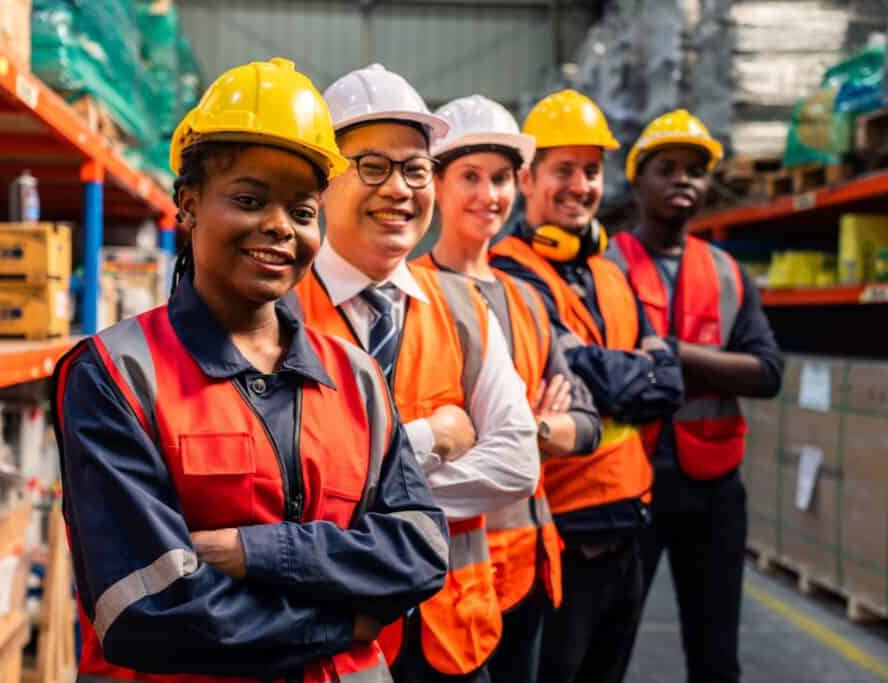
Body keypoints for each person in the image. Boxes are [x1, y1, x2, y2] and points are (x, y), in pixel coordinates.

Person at [52, 57, 450, 683]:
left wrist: (246, 551)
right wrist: (345, 621)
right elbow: (145, 610)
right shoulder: (116, 374)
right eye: (248, 199)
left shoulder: (357, 378)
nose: (278, 227)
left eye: (302, 209)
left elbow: (420, 551)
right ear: (187, 204)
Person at [286, 65, 540, 683]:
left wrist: (360, 500)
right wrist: (429, 440)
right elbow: (281, 488)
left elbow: (517, 464)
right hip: (324, 639)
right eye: (372, 167)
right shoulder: (278, 312)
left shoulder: (464, 308)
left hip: (450, 637)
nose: (399, 189)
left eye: (415, 169)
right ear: (323, 182)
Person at [488, 89, 685, 683]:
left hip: (630, 523)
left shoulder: (612, 269)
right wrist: (632, 373)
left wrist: (622, 375)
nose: (580, 186)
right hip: (560, 534)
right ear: (527, 178)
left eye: (592, 171)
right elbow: (572, 378)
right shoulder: (508, 274)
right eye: (563, 170)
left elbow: (668, 382)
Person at [411, 94, 602, 682]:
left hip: (530, 569)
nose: (487, 195)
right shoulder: (410, 295)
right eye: (469, 176)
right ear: (436, 184)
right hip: (445, 576)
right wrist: (532, 429)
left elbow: (588, 423)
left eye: (499, 178)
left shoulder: (527, 301)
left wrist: (523, 431)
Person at [611, 109, 784, 683]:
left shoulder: (729, 274)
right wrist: (715, 367)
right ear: (638, 181)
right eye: (667, 168)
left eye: (695, 170)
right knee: (602, 650)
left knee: (715, 656)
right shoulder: (603, 270)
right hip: (625, 489)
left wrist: (674, 354)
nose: (683, 179)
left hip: (712, 489)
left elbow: (767, 372)